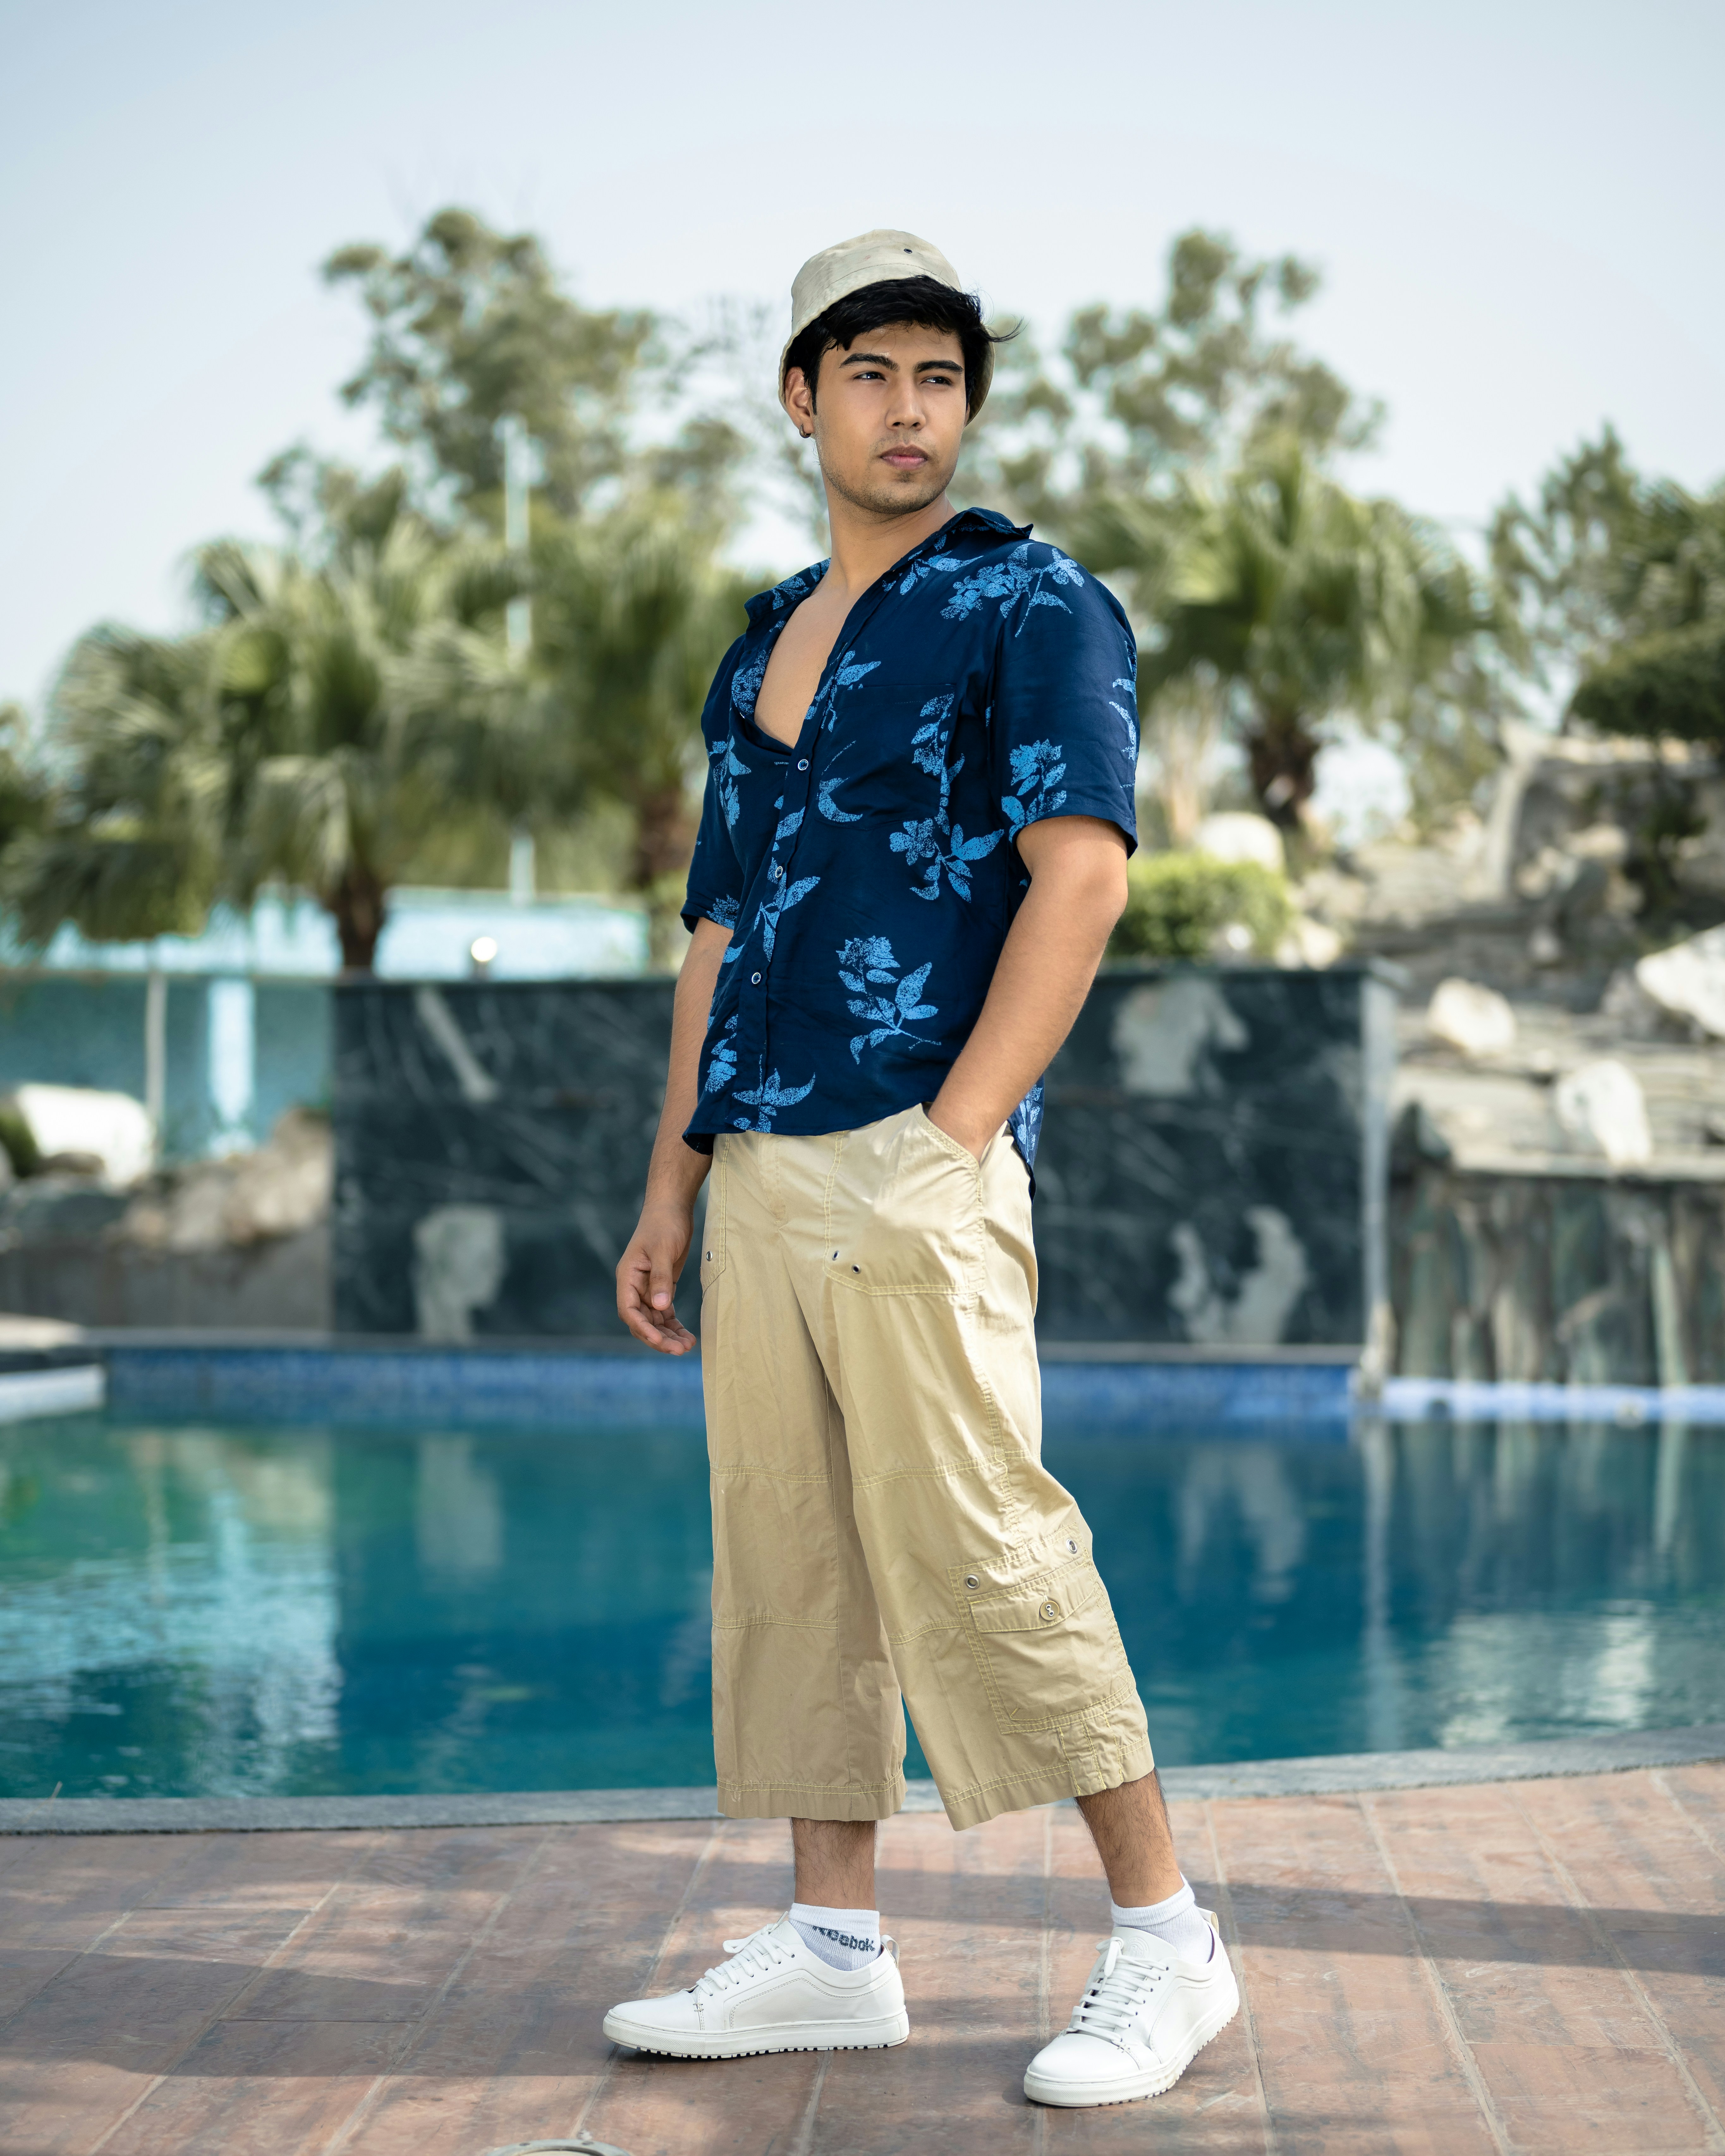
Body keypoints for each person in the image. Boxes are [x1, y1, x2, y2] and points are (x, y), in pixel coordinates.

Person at [607, 229, 1236, 2108]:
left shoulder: (1033, 603)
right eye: (871, 373)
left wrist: (955, 1140)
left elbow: (1086, 872)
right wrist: (669, 1178)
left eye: (940, 377)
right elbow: (716, 924)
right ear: (801, 398)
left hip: (915, 1148)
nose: (909, 410)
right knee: (791, 1557)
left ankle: (1164, 1939)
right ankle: (827, 1949)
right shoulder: (766, 631)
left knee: (984, 1540)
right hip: (764, 1160)